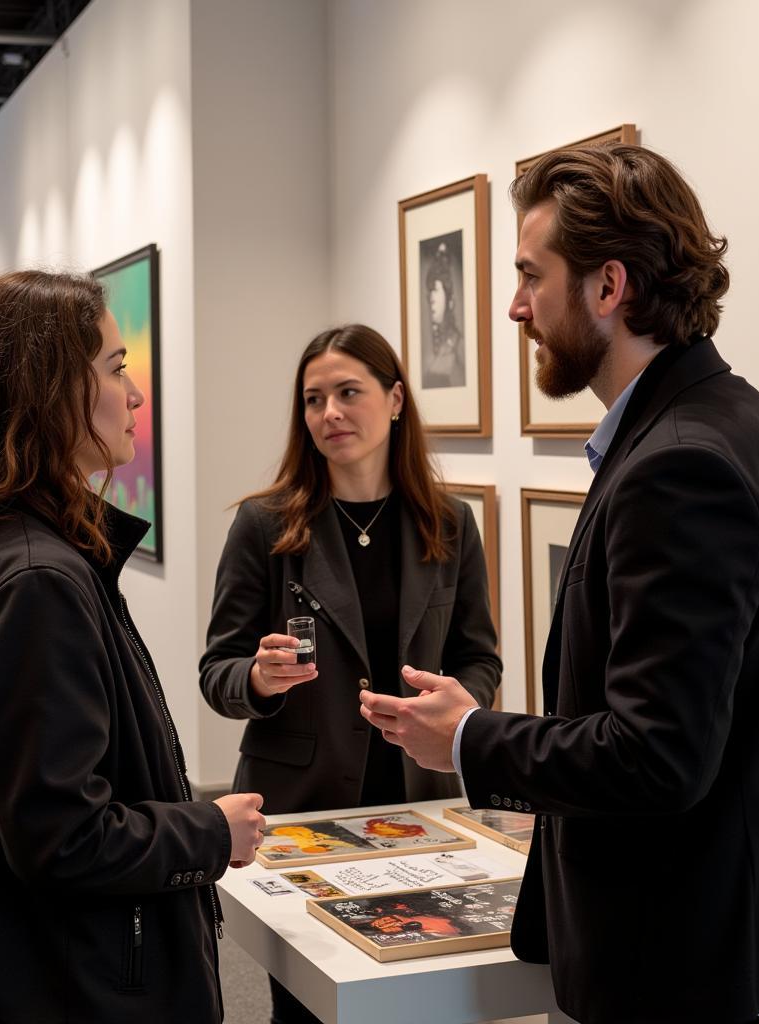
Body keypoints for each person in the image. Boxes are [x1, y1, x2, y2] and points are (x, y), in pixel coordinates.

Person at [359, 144, 759, 1024]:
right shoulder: (738, 421)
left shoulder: (680, 467)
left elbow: (659, 755)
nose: (516, 307)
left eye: (531, 276)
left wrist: (472, 736)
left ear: (609, 287)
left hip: (680, 964)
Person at [0, 270, 265, 1024]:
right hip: (75, 984)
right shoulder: (36, 579)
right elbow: (62, 836)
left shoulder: (18, 550)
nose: (135, 395)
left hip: (46, 966)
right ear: (48, 392)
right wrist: (209, 829)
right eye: (117, 370)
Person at [200, 322, 501, 1023]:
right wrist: (258, 679)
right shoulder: (264, 525)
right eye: (312, 399)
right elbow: (218, 670)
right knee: (310, 1008)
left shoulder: (450, 524)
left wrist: (459, 707)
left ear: (395, 400)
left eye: (347, 393)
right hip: (301, 811)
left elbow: (479, 657)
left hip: (421, 807)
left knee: (422, 999)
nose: (329, 413)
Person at [422, 241, 465, 388]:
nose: (432, 299)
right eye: (430, 292)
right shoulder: (434, 349)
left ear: (449, 299)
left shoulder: (458, 347)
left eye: (436, 291)